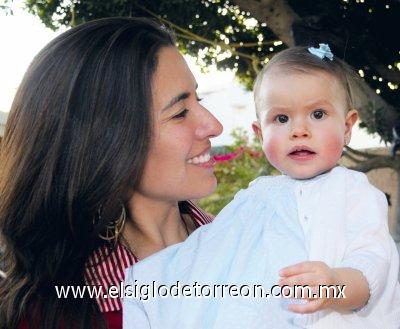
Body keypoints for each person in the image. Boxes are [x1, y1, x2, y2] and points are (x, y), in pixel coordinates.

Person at [123, 45, 400, 328]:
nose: (299, 130)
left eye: (318, 114)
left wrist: (336, 283)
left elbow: (374, 261)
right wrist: (154, 278)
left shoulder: (353, 192)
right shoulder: (253, 197)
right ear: (259, 133)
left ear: (347, 126)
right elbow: (209, 256)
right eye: (281, 118)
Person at [0, 17, 222, 329]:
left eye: (198, 99)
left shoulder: (246, 240)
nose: (214, 125)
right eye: (180, 112)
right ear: (103, 141)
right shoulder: (51, 314)